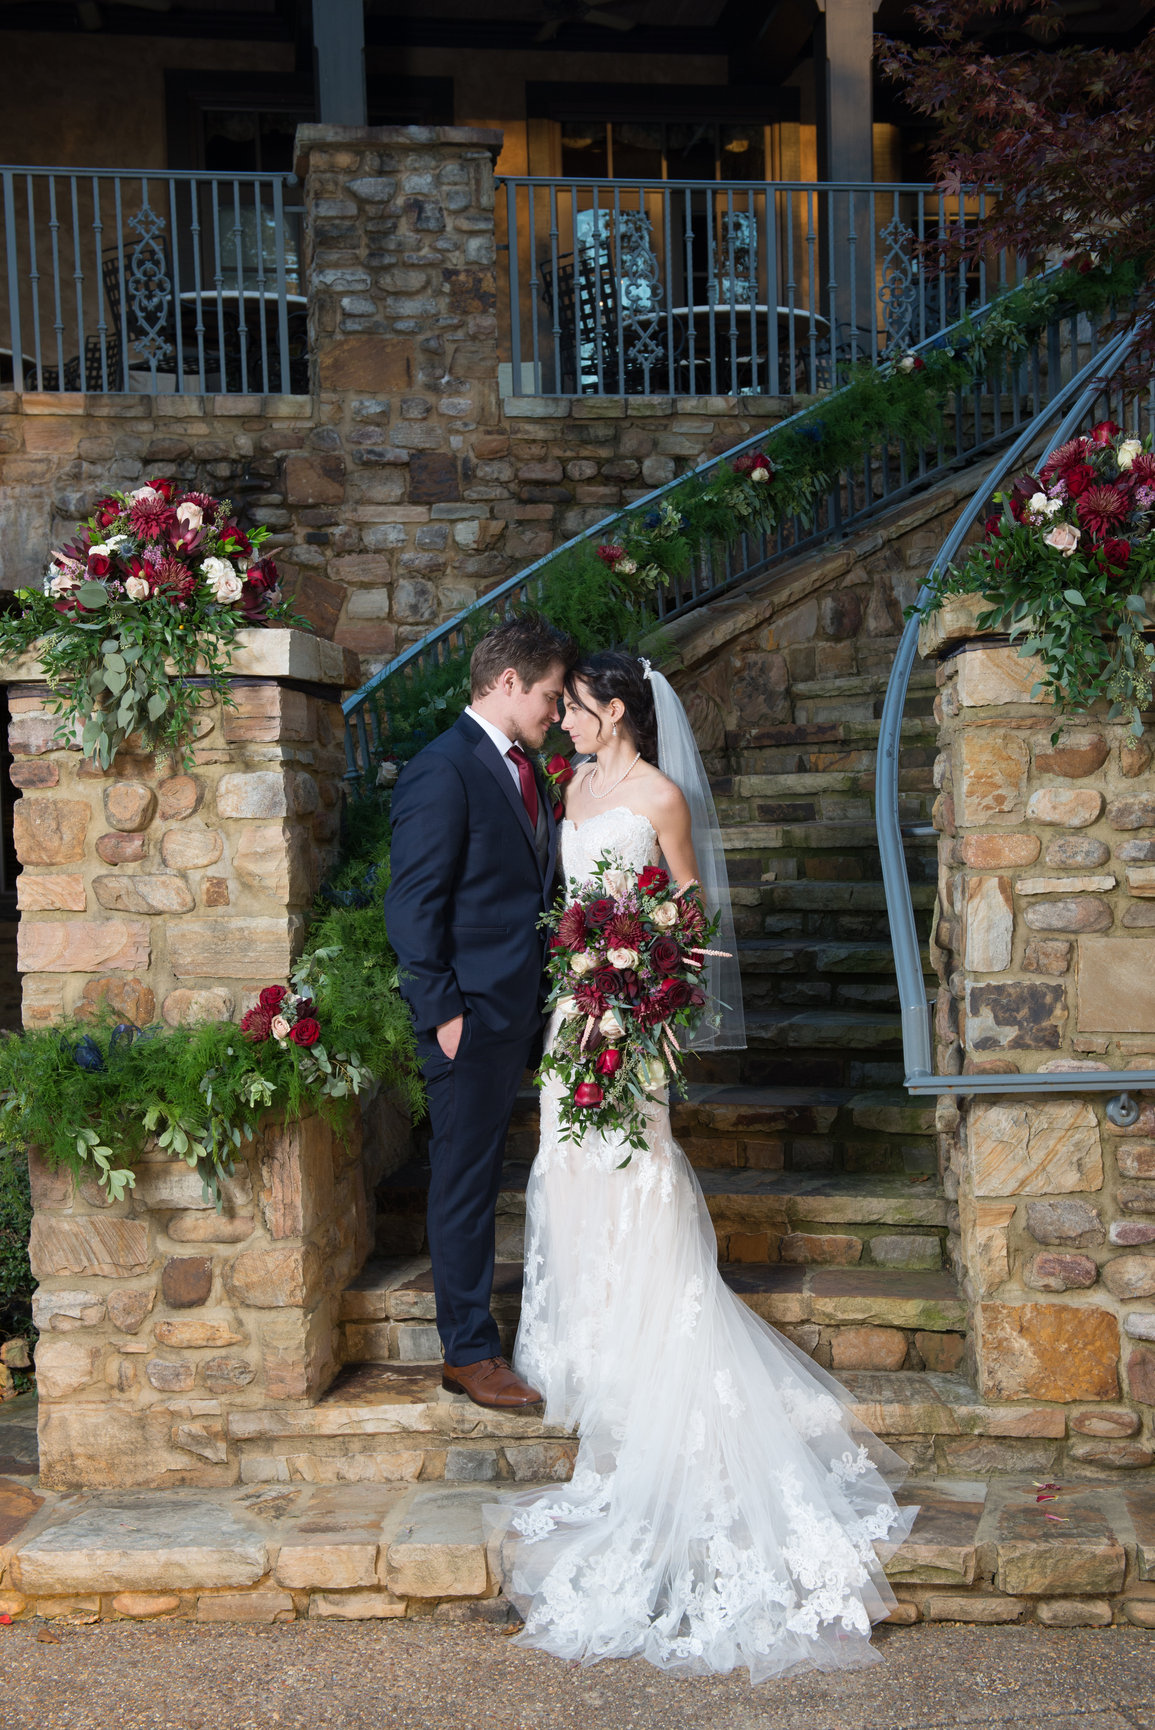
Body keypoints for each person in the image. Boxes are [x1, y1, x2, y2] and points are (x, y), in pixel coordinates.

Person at [487, 651, 916, 1681]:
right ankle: (598, 1352)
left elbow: (690, 908)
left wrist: (645, 981)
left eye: (579, 711)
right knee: (570, 1173)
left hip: (629, 1028)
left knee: (640, 1176)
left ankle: (660, 1360)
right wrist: (578, 970)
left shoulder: (660, 794)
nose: (567, 725)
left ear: (618, 707)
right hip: (569, 1018)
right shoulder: (570, 788)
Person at [385, 614, 577, 1411]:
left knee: (488, 1176)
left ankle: (478, 1342)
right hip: (469, 1016)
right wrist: (442, 1014)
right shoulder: (443, 769)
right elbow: (412, 903)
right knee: (462, 1185)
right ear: (506, 685)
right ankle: (467, 1353)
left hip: (519, 1012)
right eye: (550, 697)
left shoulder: (520, 768)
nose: (558, 714)